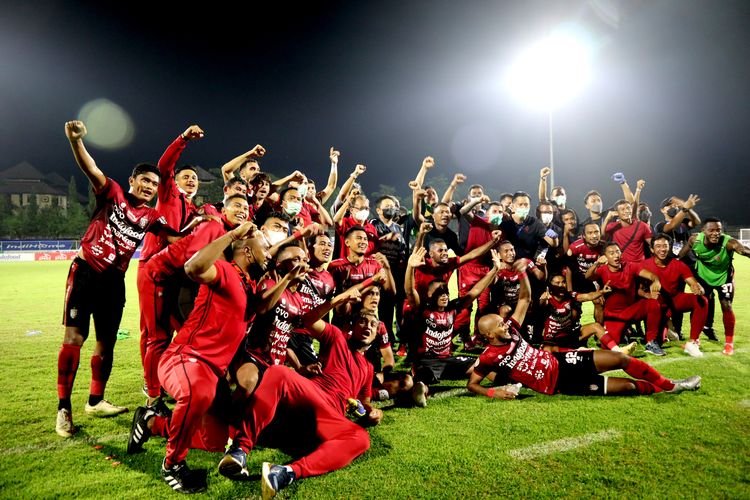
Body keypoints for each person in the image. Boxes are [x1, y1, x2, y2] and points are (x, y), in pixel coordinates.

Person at [56, 121, 179, 438]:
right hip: (85, 274)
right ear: (132, 181)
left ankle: (95, 401)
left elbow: (177, 237)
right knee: (73, 340)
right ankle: (64, 409)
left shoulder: (151, 217)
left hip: (114, 282)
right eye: (145, 181)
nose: (150, 186)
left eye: (155, 183)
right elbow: (91, 168)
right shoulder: (112, 194)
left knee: (105, 344)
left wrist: (209, 224)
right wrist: (75, 142)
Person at [219, 286, 382, 499]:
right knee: (279, 373)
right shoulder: (337, 338)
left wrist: (373, 413)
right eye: (363, 322)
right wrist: (335, 301)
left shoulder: (368, 368)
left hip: (331, 416)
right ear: (353, 326)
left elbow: (365, 403)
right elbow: (308, 321)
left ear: (377, 332)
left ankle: (285, 473)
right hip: (313, 394)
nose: (368, 327)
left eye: (373, 324)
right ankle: (240, 450)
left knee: (361, 439)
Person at [147, 222, 261, 493]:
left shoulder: (249, 286)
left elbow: (264, 302)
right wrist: (232, 234)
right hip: (185, 359)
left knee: (214, 441)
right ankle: (172, 464)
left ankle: (149, 422)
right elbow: (192, 268)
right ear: (247, 250)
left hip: (212, 373)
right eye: (263, 247)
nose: (267, 251)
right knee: (196, 393)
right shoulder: (225, 270)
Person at [467, 271, 701, 399]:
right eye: (500, 325)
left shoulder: (514, 329)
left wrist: (522, 272)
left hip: (562, 361)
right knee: (629, 388)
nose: (505, 325)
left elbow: (524, 299)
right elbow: (472, 384)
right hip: (558, 384)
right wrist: (493, 392)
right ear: (488, 335)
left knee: (620, 359)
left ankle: (671, 386)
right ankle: (663, 387)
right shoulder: (488, 356)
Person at [139, 194, 251, 411]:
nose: (243, 210)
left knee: (185, 336)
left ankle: (183, 385)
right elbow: (192, 259)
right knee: (158, 338)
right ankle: (152, 400)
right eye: (237, 205)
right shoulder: (215, 227)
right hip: (159, 275)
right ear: (224, 211)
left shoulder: (226, 232)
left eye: (246, 207)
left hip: (177, 281)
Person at [404, 247, 502, 393]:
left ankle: (509, 382)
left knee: (482, 364)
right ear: (430, 294)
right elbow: (410, 291)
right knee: (423, 380)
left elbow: (475, 291)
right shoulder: (422, 310)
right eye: (440, 293)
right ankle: (420, 391)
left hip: (448, 360)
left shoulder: (452, 308)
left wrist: (495, 269)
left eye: (446, 293)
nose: (444, 296)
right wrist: (410, 268)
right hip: (426, 362)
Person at [679, 218, 750, 355]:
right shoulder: (695, 240)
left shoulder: (728, 242)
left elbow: (744, 250)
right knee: (700, 305)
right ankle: (695, 340)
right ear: (703, 231)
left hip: (724, 277)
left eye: (718, 230)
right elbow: (681, 255)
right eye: (711, 230)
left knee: (726, 305)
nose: (716, 233)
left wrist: (743, 251)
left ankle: (729, 343)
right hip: (703, 276)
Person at [587, 242, 665, 355]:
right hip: (613, 316)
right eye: (611, 253)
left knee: (653, 303)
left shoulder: (630, 266)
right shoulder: (603, 269)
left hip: (631, 311)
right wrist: (596, 264)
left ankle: (651, 342)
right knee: (608, 347)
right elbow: (587, 276)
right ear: (605, 256)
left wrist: (656, 280)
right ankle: (624, 332)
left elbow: (651, 275)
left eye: (618, 252)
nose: (616, 255)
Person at [641, 234, 708, 357]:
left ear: (670, 247)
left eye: (665, 246)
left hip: (674, 301)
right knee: (659, 341)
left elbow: (693, 282)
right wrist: (647, 294)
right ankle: (654, 338)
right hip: (656, 304)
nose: (662, 249)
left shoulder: (678, 265)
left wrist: (699, 289)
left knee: (701, 300)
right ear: (651, 249)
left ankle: (692, 342)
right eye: (658, 246)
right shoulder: (644, 265)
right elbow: (637, 290)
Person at [538, 273, 637, 354]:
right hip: (553, 340)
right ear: (550, 286)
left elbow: (587, 296)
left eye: (563, 282)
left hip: (569, 335)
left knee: (596, 326)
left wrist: (601, 292)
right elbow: (541, 304)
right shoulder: (548, 299)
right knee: (547, 351)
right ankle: (581, 352)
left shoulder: (570, 295)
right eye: (557, 283)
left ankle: (618, 351)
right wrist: (542, 300)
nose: (561, 285)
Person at [602, 199, 653, 263]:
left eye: (628, 208)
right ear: (617, 213)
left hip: (639, 265)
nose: (626, 211)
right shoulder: (613, 226)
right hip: (622, 265)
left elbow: (652, 244)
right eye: (622, 209)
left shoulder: (642, 226)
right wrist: (607, 219)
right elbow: (602, 236)